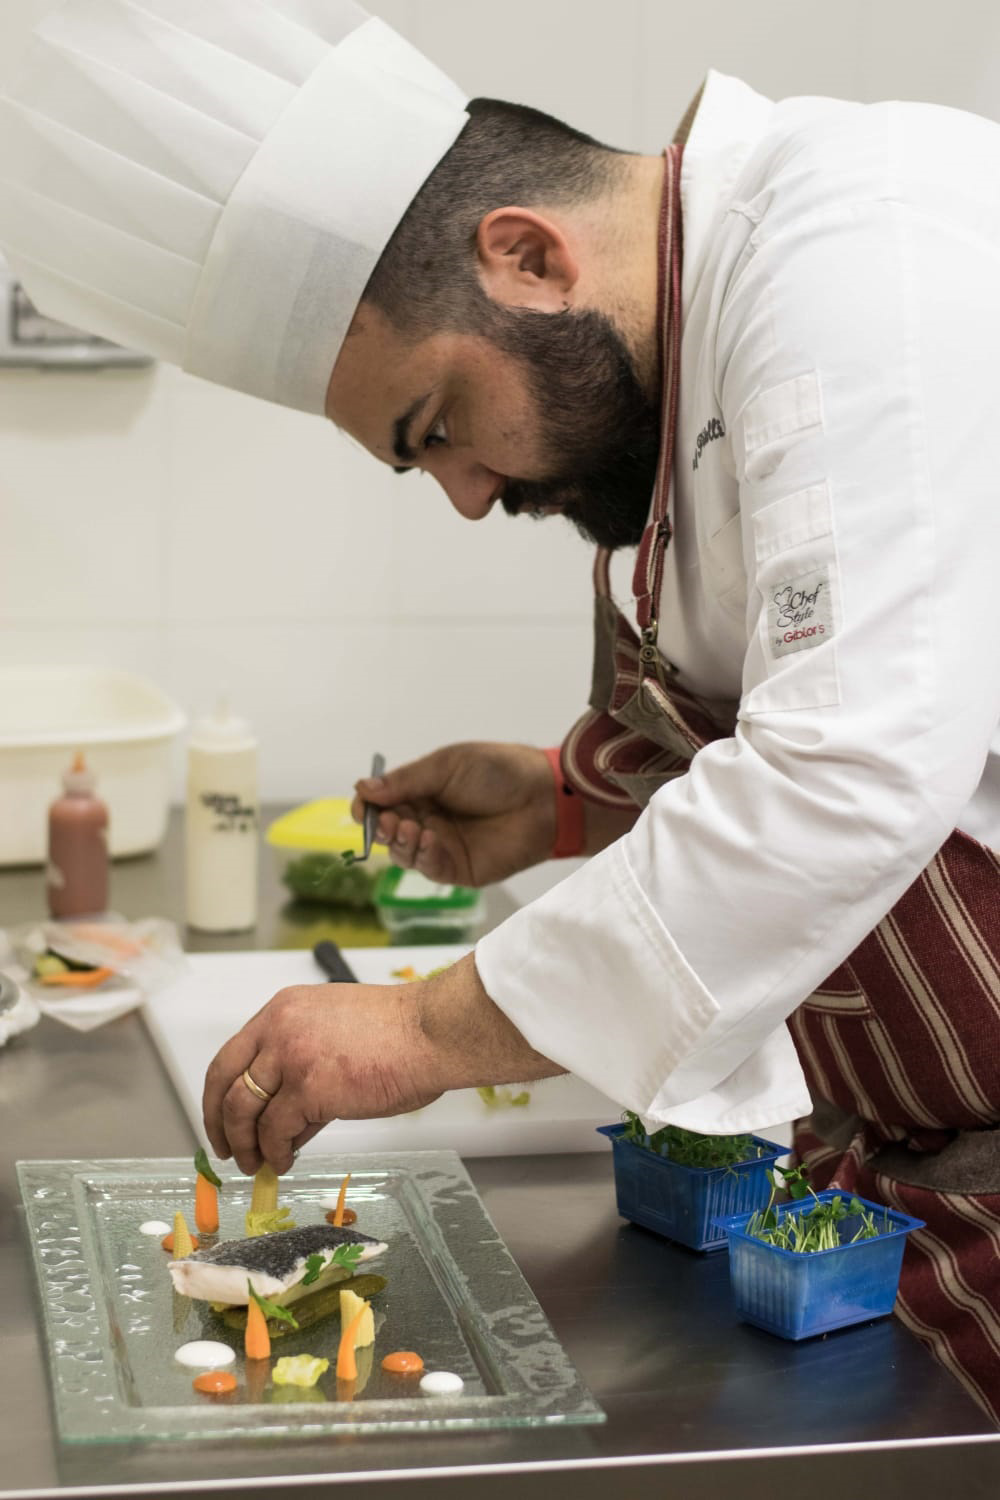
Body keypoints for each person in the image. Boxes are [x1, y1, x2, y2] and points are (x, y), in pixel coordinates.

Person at [3, 0, 999, 1421]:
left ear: (526, 255)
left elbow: (852, 765)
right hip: (913, 1168)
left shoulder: (857, 261)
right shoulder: (693, 355)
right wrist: (565, 796)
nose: (470, 494)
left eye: (435, 428)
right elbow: (883, 699)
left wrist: (422, 1030)